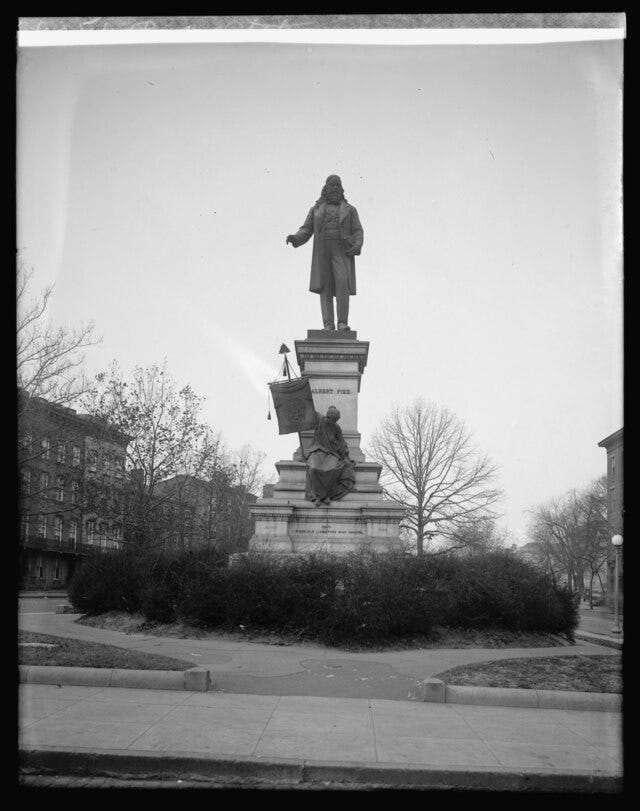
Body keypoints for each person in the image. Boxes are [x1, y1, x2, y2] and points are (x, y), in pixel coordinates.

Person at [286, 175, 363, 331]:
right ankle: (328, 324)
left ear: (341, 190)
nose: (335, 188)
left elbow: (357, 231)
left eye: (337, 185)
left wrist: (357, 244)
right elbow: (306, 228)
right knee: (325, 286)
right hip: (323, 250)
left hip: (341, 250)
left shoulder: (350, 210)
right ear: (326, 189)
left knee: (342, 282)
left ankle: (342, 323)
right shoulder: (316, 209)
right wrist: (296, 238)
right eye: (332, 185)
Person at [304, 406, 355, 506]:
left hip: (331, 453)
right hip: (317, 450)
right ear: (328, 417)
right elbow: (308, 409)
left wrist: (345, 457)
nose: (334, 421)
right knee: (314, 468)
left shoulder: (336, 428)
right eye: (333, 419)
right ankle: (318, 496)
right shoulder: (319, 419)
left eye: (336, 420)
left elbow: (341, 442)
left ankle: (325, 495)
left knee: (335, 468)